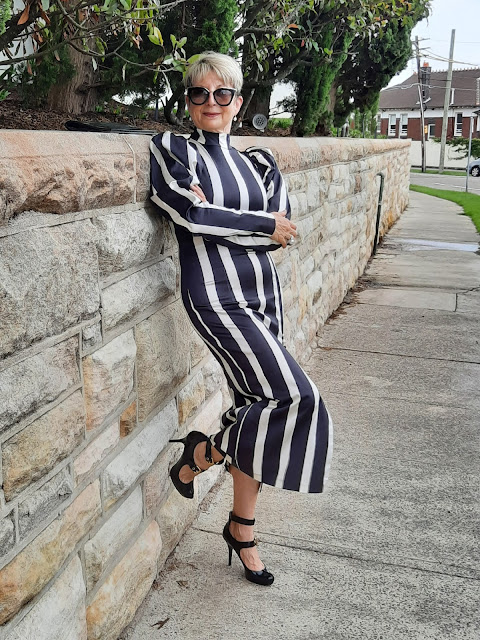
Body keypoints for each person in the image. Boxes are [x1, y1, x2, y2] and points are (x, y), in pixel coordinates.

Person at [149, 51, 333, 586]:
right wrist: (253, 224)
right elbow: (188, 212)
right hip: (215, 296)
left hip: (263, 293)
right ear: (187, 102)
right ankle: (200, 456)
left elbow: (282, 230)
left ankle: (241, 526)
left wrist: (226, 221)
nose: (210, 102)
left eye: (221, 93)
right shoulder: (172, 150)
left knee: (258, 408)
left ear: (239, 100)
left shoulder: (260, 162)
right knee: (297, 399)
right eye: (198, 94)